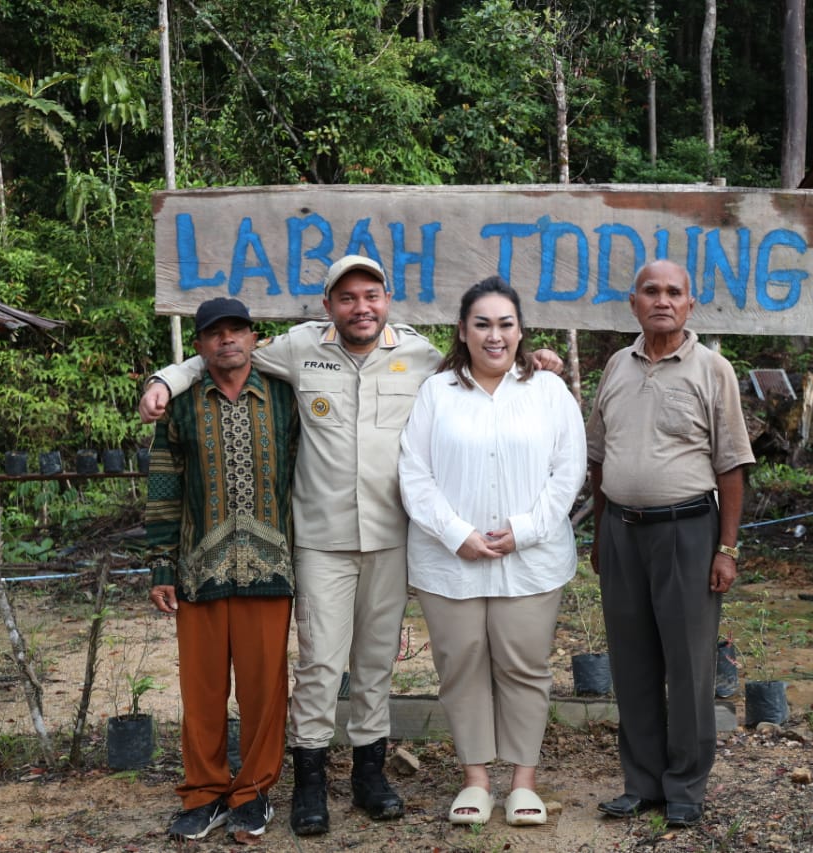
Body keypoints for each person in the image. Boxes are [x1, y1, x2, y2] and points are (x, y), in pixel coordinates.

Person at [138, 256, 562, 836]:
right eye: (347, 298)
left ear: (387, 299)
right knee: (319, 664)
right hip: (322, 540)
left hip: (392, 538)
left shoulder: (418, 356)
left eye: (371, 296)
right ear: (327, 306)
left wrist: (534, 362)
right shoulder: (297, 349)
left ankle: (369, 776)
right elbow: (223, 351)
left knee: (374, 665)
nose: (360, 308)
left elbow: (484, 361)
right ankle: (309, 784)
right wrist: (166, 379)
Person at [398, 277, 585, 827]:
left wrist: (523, 529)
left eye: (505, 324)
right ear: (463, 330)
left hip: (530, 560)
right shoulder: (437, 392)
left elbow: (568, 470)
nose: (494, 335)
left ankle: (523, 780)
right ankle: (476, 779)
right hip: (448, 559)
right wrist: (458, 533)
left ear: (521, 330)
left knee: (525, 666)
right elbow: (415, 471)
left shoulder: (548, 391)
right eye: (482, 324)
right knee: (461, 665)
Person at [585, 259, 754, 829]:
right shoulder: (616, 366)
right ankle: (642, 781)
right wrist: (599, 531)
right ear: (633, 303)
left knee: (688, 665)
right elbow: (599, 457)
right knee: (631, 661)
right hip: (620, 532)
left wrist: (726, 549)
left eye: (674, 292)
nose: (662, 300)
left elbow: (731, 466)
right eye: (651, 291)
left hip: (687, 531)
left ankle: (685, 785)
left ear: (689, 304)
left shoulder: (712, 370)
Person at [145, 297, 298, 841]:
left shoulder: (285, 397)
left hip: (270, 567)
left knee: (264, 688)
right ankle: (204, 791)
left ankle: (254, 790)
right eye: (215, 333)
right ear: (201, 345)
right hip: (198, 571)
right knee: (202, 690)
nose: (227, 340)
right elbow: (164, 487)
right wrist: (161, 565)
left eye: (237, 330)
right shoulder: (182, 405)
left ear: (255, 337)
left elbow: (305, 478)